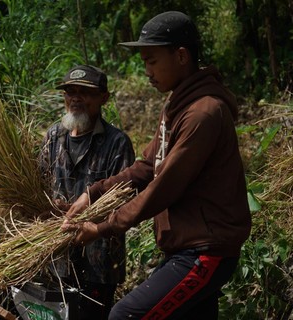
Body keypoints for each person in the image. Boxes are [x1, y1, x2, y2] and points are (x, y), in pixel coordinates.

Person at [61, 11, 252, 320]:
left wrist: (102, 228)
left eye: (151, 61)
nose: (146, 71)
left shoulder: (203, 113)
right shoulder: (179, 104)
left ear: (180, 56)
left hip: (204, 251)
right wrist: (92, 193)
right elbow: (147, 167)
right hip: (188, 247)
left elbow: (164, 188)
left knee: (124, 315)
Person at [39, 65, 135, 320]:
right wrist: (50, 205)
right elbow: (38, 185)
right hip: (56, 258)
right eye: (70, 92)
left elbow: (124, 202)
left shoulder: (117, 143)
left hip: (98, 263)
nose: (76, 98)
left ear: (104, 97)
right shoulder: (53, 136)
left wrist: (91, 221)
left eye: (86, 92)